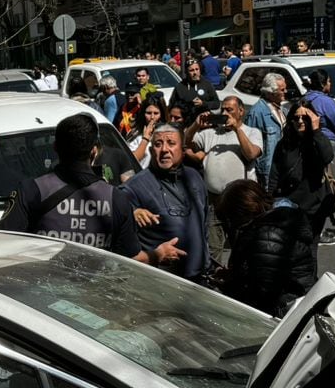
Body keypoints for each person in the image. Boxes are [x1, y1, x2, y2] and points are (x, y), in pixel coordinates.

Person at [0, 114, 157, 260]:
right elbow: (127, 260)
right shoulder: (116, 199)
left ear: (55, 148)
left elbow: (1, 243)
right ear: (94, 151)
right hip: (96, 289)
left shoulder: (31, 190)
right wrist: (157, 255)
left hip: (40, 287)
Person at [216, 178, 316, 315]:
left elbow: (263, 293)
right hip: (290, 304)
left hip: (281, 312)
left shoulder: (267, 235)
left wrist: (231, 285)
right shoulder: (271, 225)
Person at [120, 124, 207, 278]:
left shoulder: (194, 178)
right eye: (158, 144)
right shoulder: (135, 187)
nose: (164, 149)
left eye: (171, 143)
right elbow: (115, 225)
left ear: (183, 148)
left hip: (198, 281)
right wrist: (132, 212)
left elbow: (203, 223)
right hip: (160, 282)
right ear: (151, 150)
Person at [186, 96, 263, 259]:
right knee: (213, 248)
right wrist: (195, 125)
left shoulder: (252, 132)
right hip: (215, 200)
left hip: (240, 201)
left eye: (230, 110)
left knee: (242, 246)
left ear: (241, 112)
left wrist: (237, 129)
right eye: (223, 109)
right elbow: (186, 142)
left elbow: (251, 154)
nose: (225, 113)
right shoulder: (209, 134)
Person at [267, 102, 335, 241]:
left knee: (310, 250)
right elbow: (275, 172)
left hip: (313, 206)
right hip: (289, 204)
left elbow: (327, 157)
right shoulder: (285, 143)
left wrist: (316, 130)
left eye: (305, 117)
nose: (300, 121)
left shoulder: (318, 140)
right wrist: (270, 199)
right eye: (296, 118)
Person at [240, 82, 284, 181]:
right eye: (282, 90)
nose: (286, 92)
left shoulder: (281, 109)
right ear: (270, 93)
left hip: (280, 167)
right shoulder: (256, 113)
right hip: (266, 172)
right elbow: (249, 143)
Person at [298, 68, 335, 145]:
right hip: (327, 142)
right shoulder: (325, 101)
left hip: (309, 142)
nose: (330, 84)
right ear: (322, 84)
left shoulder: (304, 99)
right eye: (328, 81)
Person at [126, 99, 166, 169]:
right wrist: (145, 139)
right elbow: (131, 161)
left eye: (156, 113)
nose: (152, 117)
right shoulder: (135, 134)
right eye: (149, 113)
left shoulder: (168, 132)